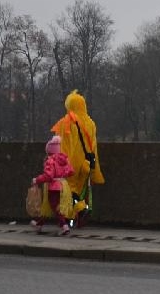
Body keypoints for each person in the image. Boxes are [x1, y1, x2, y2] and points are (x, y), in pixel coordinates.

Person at [51, 89, 105, 226]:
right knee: (82, 190)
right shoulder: (91, 123)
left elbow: (62, 145)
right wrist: (95, 169)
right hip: (86, 163)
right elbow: (94, 147)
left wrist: (59, 162)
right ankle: (76, 218)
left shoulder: (67, 122)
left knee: (69, 190)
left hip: (71, 163)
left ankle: (81, 210)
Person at [30, 135, 74, 235]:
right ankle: (39, 224)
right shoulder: (63, 159)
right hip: (63, 185)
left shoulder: (50, 161)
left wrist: (36, 180)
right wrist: (62, 174)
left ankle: (64, 226)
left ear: (49, 151)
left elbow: (48, 176)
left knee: (54, 206)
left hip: (53, 186)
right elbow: (71, 171)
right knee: (48, 206)